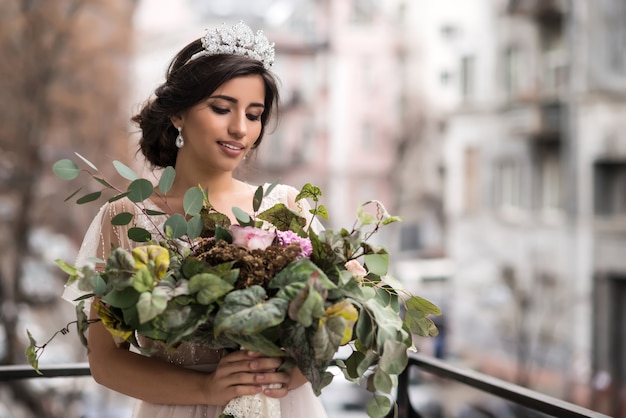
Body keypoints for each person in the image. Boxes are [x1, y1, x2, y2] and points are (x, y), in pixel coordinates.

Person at [62, 21, 328, 418]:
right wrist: (208, 388)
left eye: (254, 115)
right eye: (222, 108)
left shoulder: (287, 208)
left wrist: (288, 377)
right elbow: (105, 361)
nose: (240, 128)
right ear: (178, 115)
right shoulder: (126, 218)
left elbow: (331, 324)